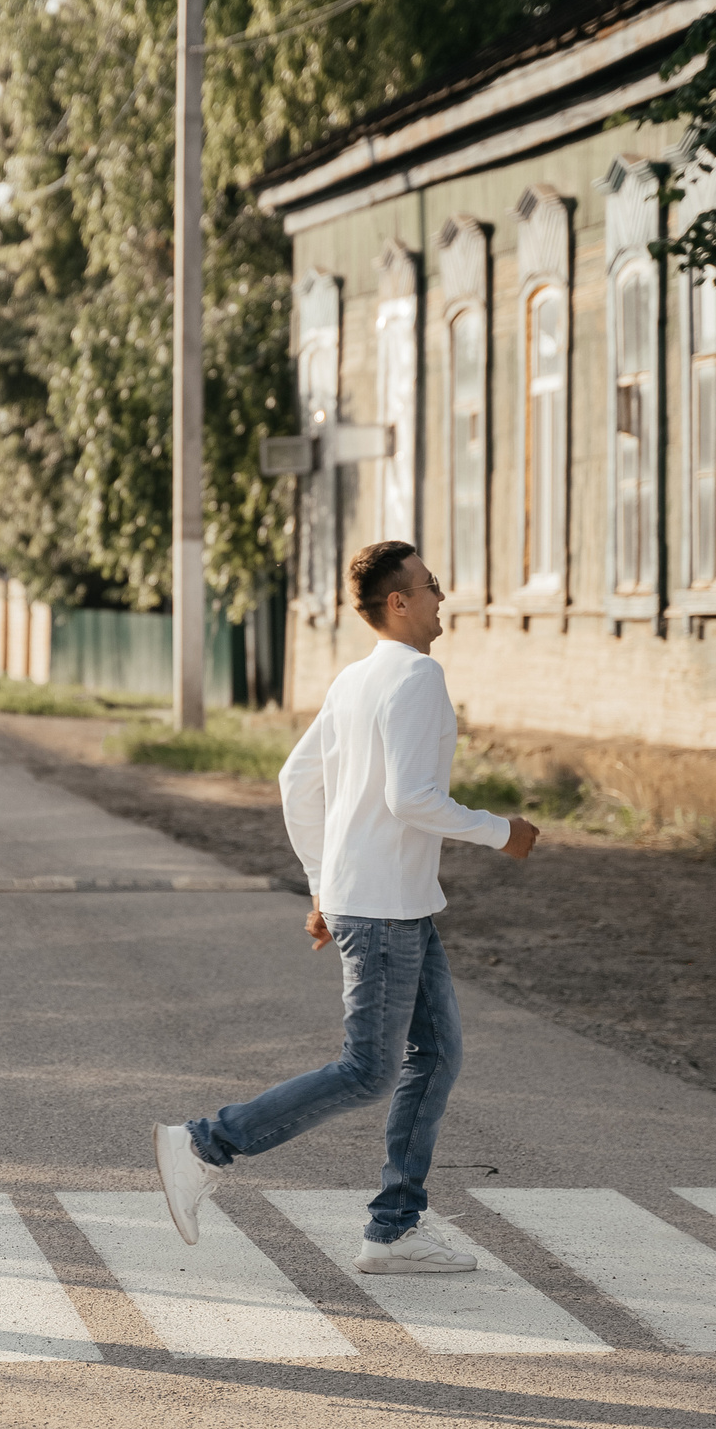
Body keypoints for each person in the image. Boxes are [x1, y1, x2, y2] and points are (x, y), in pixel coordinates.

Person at [154, 540, 540, 1274]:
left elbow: (296, 779)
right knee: (368, 1068)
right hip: (387, 910)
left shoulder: (354, 680)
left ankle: (394, 1227)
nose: (441, 597)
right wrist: (502, 833)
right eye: (431, 585)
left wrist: (323, 886)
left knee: (437, 1053)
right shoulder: (419, 676)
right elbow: (411, 798)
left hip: (393, 903)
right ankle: (207, 1143)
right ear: (398, 602)